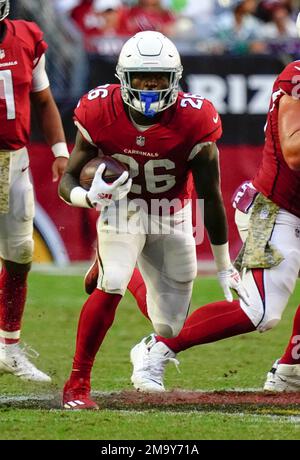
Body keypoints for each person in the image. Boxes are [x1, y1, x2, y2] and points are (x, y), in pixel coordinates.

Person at [59, 30, 247, 410]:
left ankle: (122, 269)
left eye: (159, 79)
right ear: (124, 78)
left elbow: (211, 196)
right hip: (122, 207)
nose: (150, 86)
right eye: (143, 77)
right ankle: (76, 385)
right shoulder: (98, 110)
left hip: (173, 211)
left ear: (175, 79)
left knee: (169, 328)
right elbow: (67, 177)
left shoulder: (196, 118)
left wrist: (225, 265)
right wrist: (88, 196)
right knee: (109, 285)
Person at [127, 49, 300, 393]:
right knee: (260, 312)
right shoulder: (296, 76)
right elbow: (294, 152)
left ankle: (291, 369)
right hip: (275, 210)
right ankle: (157, 348)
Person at [0, 0, 69, 382]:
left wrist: (60, 149)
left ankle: (8, 347)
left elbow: (42, 98)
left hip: (12, 160)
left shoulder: (26, 37)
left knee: (20, 253)